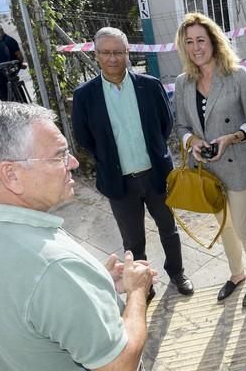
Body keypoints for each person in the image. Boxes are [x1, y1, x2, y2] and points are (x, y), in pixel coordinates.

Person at [0, 103, 155, 371]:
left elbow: (27, 311)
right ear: (11, 174)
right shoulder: (52, 266)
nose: (74, 162)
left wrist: (93, 284)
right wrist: (137, 291)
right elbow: (118, 370)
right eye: (59, 155)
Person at [72, 27, 194, 301]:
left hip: (156, 176)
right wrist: (111, 158)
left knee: (169, 230)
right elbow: (84, 137)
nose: (112, 58)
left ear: (128, 53)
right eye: (105, 52)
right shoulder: (85, 95)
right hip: (119, 182)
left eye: (118, 52)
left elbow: (165, 125)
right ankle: (143, 286)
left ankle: (177, 273)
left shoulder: (149, 86)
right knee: (133, 241)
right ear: (96, 54)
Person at [173, 12, 246, 307]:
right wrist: (194, 142)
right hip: (208, 170)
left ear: (214, 41)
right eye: (189, 42)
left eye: (201, 39)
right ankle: (236, 274)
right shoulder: (183, 82)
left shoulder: (238, 76)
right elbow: (181, 126)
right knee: (224, 227)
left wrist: (230, 138)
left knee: (244, 227)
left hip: (239, 164)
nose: (196, 47)